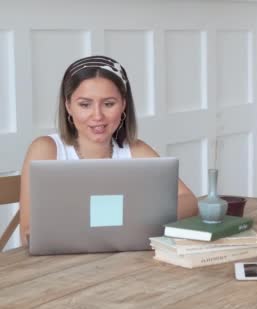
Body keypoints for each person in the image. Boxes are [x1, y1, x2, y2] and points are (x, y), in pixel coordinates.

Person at [19, 55, 199, 244]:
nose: (98, 115)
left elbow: (188, 200)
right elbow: (28, 233)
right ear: (68, 106)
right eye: (85, 104)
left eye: (109, 104)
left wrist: (142, 221)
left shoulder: (136, 150)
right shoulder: (46, 150)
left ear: (123, 105)